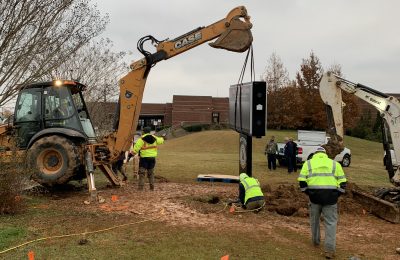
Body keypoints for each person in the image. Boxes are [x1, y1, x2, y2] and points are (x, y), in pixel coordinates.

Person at [297, 146, 347, 259]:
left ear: (315, 154)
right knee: (331, 223)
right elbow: (343, 183)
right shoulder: (335, 164)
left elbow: (302, 181)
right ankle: (329, 250)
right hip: (331, 198)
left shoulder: (308, 163)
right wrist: (336, 195)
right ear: (325, 154)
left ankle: (315, 241)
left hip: (314, 197)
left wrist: (308, 193)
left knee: (314, 220)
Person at [130, 126, 164, 191]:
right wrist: (163, 137)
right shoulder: (155, 137)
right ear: (150, 131)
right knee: (151, 173)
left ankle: (140, 188)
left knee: (142, 173)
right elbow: (161, 141)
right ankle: (152, 187)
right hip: (152, 158)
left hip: (144, 159)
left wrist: (130, 155)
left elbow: (136, 149)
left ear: (143, 131)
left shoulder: (141, 139)